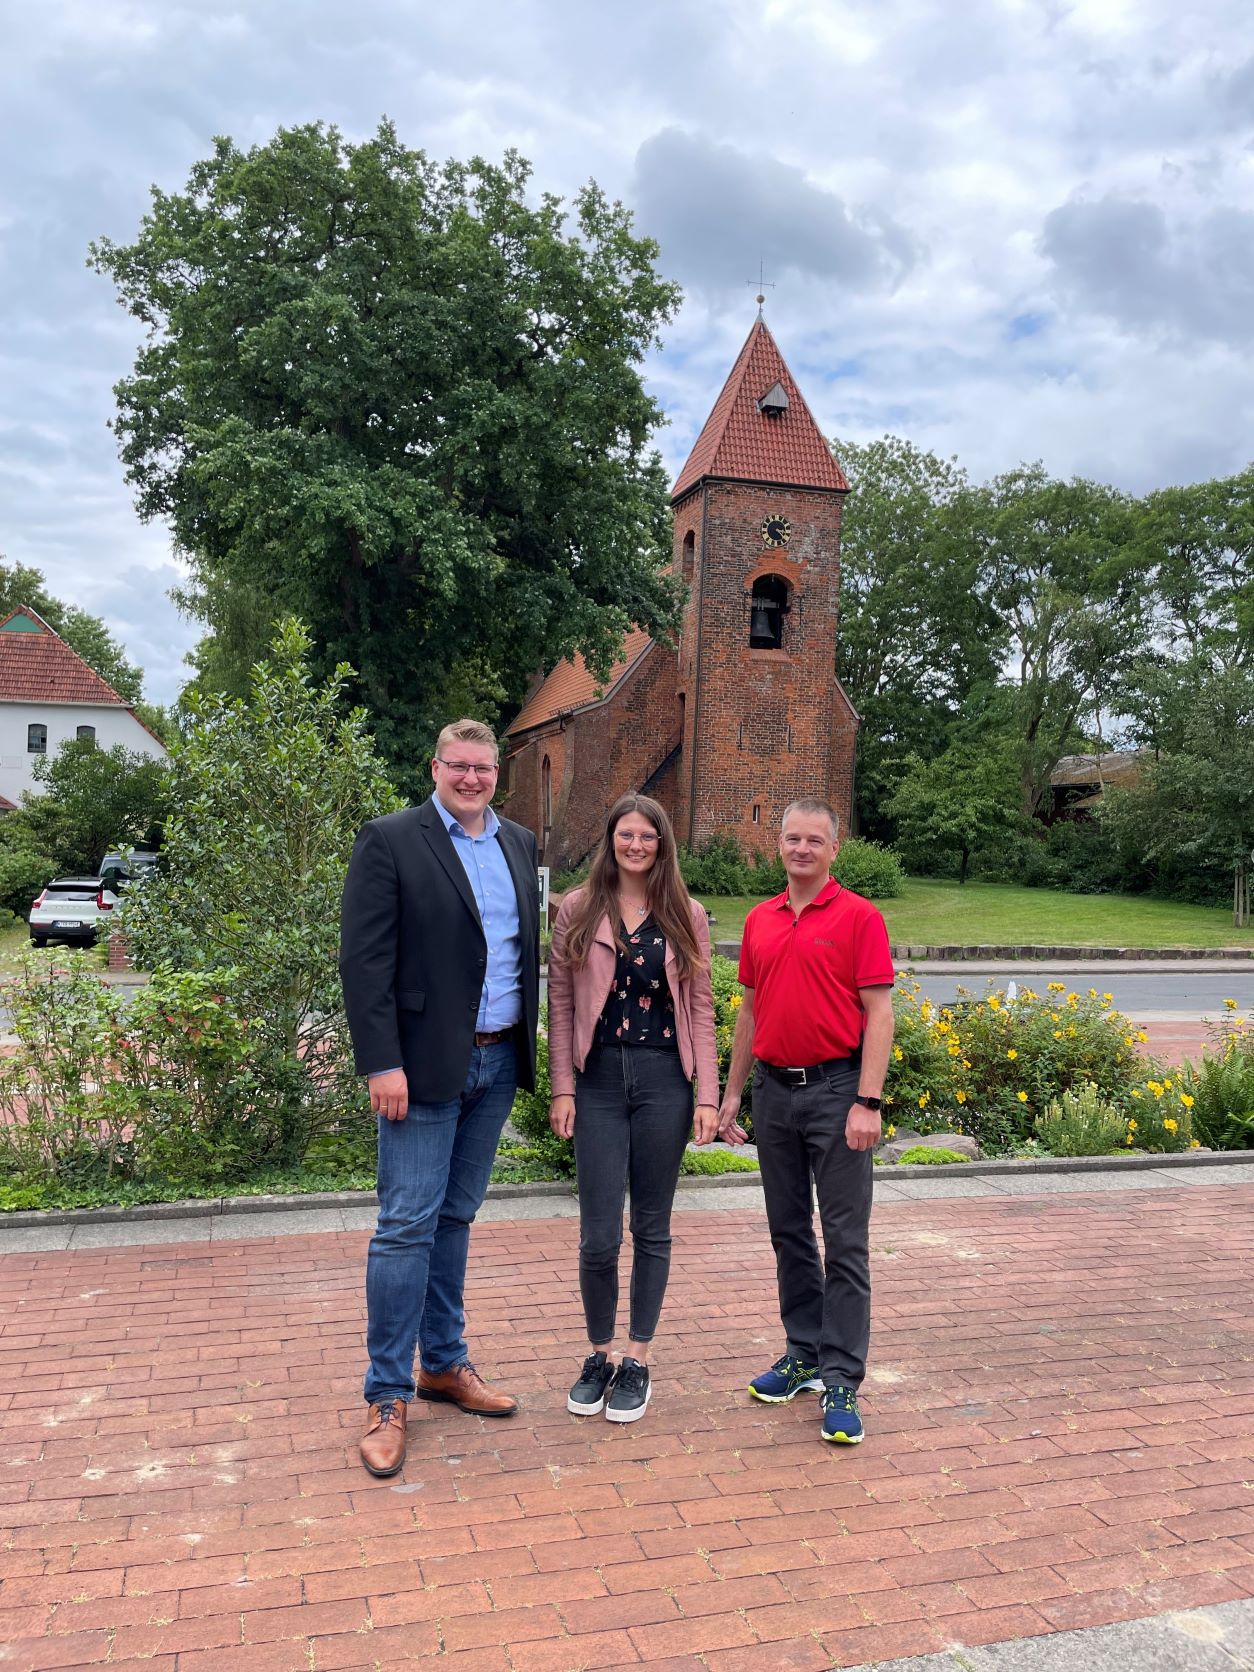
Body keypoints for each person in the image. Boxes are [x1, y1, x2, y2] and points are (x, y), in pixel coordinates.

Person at [339, 719, 540, 1477]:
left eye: (484, 768)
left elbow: (519, 951)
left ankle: (444, 1364)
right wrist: (381, 1063)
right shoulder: (392, 839)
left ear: (498, 773)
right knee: (404, 1228)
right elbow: (364, 962)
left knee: (455, 1217)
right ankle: (386, 1394)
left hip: (494, 1065)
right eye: (459, 766)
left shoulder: (518, 843)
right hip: (418, 1071)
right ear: (436, 767)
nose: (472, 778)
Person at [717, 797, 894, 1446]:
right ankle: (803, 1353)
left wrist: (867, 1102)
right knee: (789, 1231)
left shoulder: (858, 918)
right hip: (775, 1093)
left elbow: (879, 1013)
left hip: (836, 1090)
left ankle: (842, 1377)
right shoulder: (760, 920)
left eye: (814, 841)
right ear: (779, 843)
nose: (801, 850)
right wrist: (733, 1093)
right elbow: (748, 1012)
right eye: (792, 838)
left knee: (845, 1241)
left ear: (833, 849)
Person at [547, 794, 720, 1423]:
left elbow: (701, 1006)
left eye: (648, 836)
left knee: (651, 1226)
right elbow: (561, 1006)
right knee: (597, 1234)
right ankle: (600, 1353)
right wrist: (562, 1087)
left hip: (663, 1083)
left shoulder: (686, 914)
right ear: (611, 839)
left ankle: (638, 1359)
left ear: (662, 843)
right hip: (596, 1081)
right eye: (627, 834)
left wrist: (707, 1095)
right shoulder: (577, 908)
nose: (637, 845)